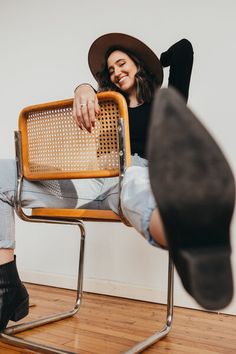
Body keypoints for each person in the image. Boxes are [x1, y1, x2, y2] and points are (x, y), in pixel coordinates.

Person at [0, 33, 234, 332]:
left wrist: (154, 62)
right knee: (3, 174)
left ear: (137, 65)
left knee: (135, 181)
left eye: (122, 63)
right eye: (110, 70)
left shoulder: (164, 101)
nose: (116, 72)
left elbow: (184, 49)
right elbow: (90, 99)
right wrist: (83, 88)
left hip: (135, 176)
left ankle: (189, 232)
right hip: (93, 178)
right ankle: (5, 288)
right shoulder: (106, 104)